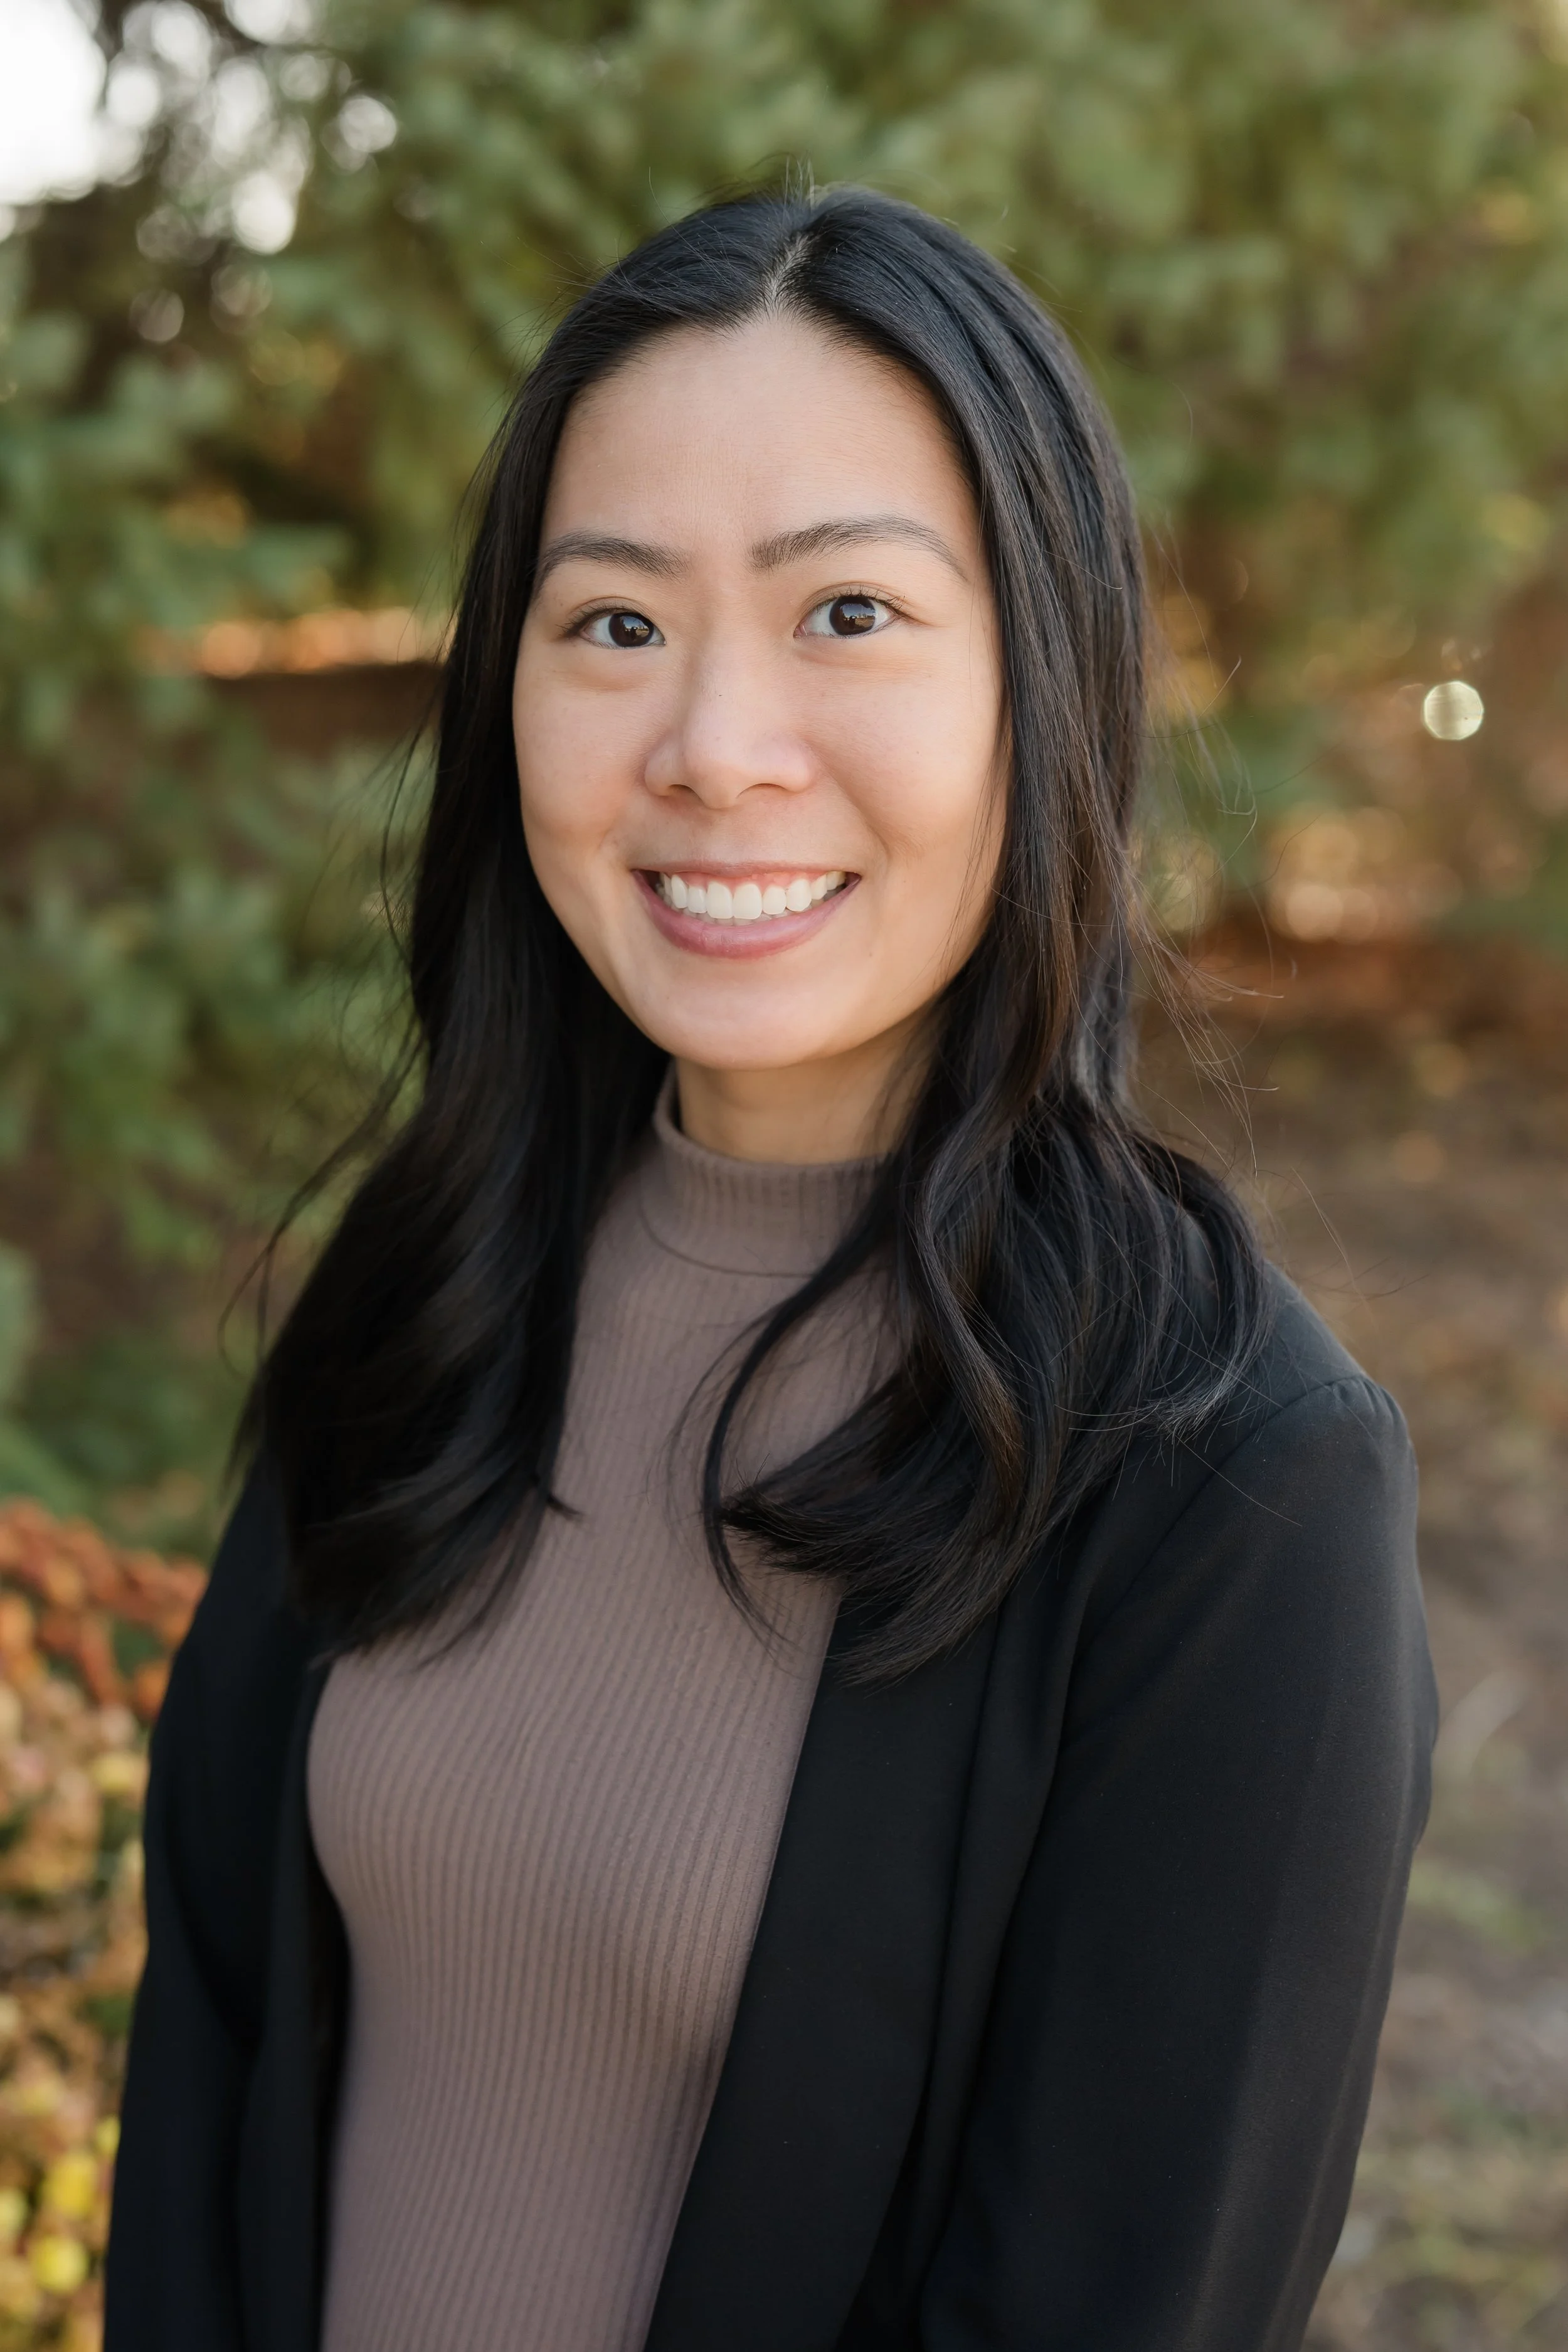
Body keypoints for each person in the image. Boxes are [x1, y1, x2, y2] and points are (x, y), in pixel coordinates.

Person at [105, 186, 1434, 2352]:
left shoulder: (1227, 1493)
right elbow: (212, 2081)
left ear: (1042, 678)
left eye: (846, 614)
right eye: (612, 624)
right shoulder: (425, 1290)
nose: (712, 743)